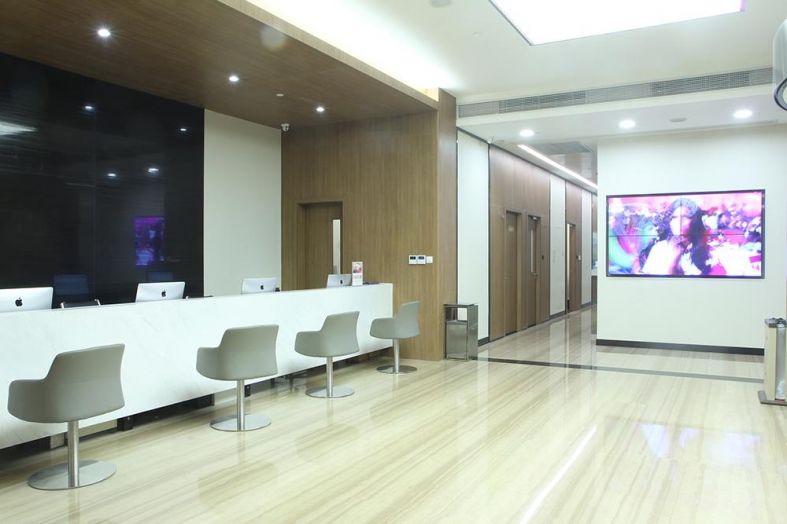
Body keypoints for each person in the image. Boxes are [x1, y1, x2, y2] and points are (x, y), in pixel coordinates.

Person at [640, 197, 711, 275]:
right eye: (674, 217)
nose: (679, 221)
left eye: (685, 216)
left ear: (694, 220)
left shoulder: (707, 251)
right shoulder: (659, 248)